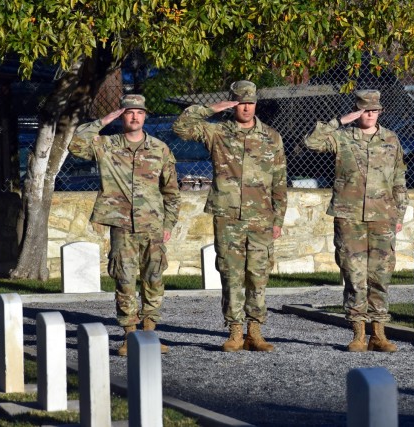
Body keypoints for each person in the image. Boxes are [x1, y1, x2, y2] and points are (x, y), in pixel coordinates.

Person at [172, 80, 287, 352]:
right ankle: (235, 330)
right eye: (240, 103)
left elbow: (279, 181)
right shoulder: (218, 133)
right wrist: (211, 108)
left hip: (261, 216)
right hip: (228, 215)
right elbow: (181, 127)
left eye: (250, 103)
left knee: (258, 275)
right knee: (231, 273)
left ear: (256, 104)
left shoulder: (271, 136)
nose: (246, 108)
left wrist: (278, 219)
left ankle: (255, 331)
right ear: (233, 104)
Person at [68, 94, 181, 356]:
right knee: (125, 279)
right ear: (122, 116)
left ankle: (150, 332)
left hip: (152, 225)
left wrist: (169, 223)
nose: (134, 116)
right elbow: (76, 143)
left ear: (145, 116)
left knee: (153, 278)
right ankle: (130, 335)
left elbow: (172, 192)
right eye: (128, 112)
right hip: (122, 224)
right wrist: (104, 119)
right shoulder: (106, 145)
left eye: (139, 112)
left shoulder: (160, 149)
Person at [303, 90, 408, 352]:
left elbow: (398, 179)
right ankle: (358, 334)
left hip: (382, 216)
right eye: (365, 110)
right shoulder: (342, 138)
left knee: (380, 275)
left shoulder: (390, 139)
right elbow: (312, 142)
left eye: (374, 110)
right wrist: (340, 121)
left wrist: (399, 213)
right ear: (357, 111)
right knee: (354, 274)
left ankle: (379, 334)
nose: (370, 115)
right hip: (350, 217)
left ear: (380, 112)